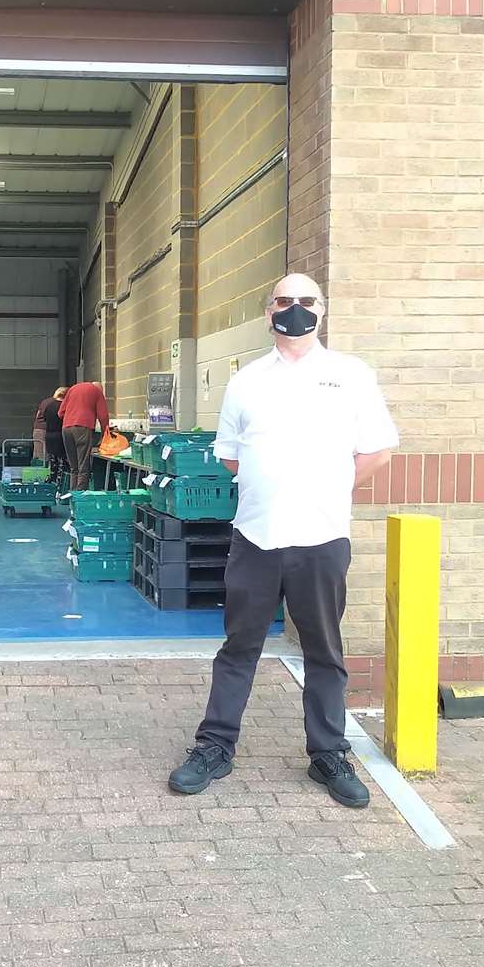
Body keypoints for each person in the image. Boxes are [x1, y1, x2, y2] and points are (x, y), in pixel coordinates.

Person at [168, 273, 397, 809]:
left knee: (324, 649)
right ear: (268, 312)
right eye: (283, 301)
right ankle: (214, 747)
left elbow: (377, 450)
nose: (295, 309)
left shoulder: (351, 376)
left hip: (321, 537)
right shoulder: (247, 381)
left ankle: (327, 755)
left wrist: (328, 488)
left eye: (306, 301)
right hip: (256, 536)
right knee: (239, 647)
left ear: (323, 310)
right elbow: (229, 453)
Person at [57, 380, 109, 494]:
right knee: (83, 465)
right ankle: (80, 496)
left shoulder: (73, 389)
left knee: (73, 467)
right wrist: (105, 435)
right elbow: (103, 416)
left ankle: (72, 496)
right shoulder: (97, 392)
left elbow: (60, 413)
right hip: (83, 428)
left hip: (66, 429)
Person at [34, 386, 69, 485]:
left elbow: (42, 418)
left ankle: (50, 482)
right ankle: (60, 483)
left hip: (49, 435)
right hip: (60, 435)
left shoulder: (49, 405)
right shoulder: (64, 406)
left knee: (52, 461)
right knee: (62, 461)